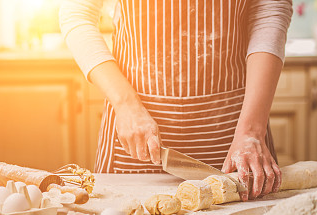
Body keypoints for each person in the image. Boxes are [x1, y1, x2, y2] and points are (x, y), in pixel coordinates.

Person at [60, 0, 293, 201]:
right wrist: (126, 104)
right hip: (135, 137)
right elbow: (77, 12)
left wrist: (251, 130)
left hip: (237, 136)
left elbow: (269, 9)